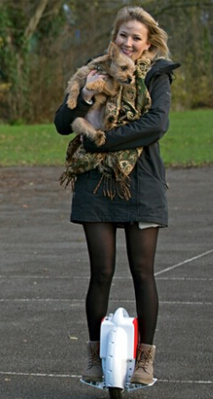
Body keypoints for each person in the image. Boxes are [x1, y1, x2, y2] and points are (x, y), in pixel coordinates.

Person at [54, 6, 180, 385]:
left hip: (141, 182)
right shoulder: (94, 70)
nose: (128, 42)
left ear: (148, 43)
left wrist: (103, 141)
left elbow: (156, 124)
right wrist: (87, 96)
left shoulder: (157, 75)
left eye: (136, 37)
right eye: (123, 35)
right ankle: (94, 358)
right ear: (115, 37)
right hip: (95, 183)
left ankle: (145, 361)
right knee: (101, 273)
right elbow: (62, 123)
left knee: (143, 273)